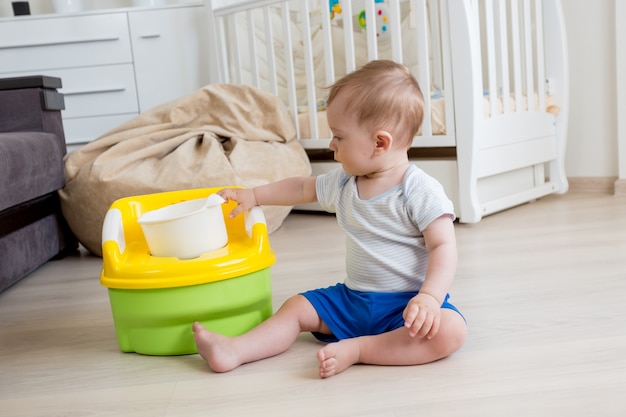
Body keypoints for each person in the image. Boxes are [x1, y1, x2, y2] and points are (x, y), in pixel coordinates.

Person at [192, 60, 467, 378]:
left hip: (405, 307)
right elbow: (301, 187)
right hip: (351, 301)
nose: (331, 145)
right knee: (296, 308)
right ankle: (235, 350)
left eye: (339, 136)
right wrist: (255, 196)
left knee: (451, 330)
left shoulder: (419, 189)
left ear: (380, 143)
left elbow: (443, 245)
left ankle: (360, 349)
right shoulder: (344, 182)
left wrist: (430, 298)